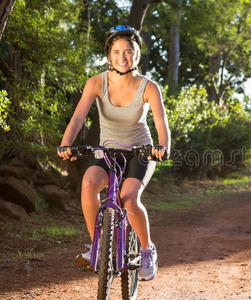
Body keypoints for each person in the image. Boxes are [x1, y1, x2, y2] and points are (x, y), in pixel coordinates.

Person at [57, 25, 170, 281]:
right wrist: (66, 145)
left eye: (128, 51)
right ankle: (97, 248)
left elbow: (161, 123)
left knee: (128, 198)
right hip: (107, 151)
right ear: (109, 54)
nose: (122, 57)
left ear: (137, 54)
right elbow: (78, 117)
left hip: (140, 152)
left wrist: (162, 148)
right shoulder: (97, 82)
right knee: (88, 184)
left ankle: (146, 250)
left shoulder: (149, 87)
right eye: (117, 51)